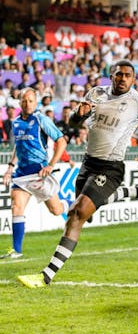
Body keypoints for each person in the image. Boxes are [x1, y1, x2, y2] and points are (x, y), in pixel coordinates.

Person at [17, 60, 138, 287]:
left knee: (76, 214)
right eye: (119, 74)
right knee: (86, 215)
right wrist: (78, 115)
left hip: (110, 168)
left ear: (133, 79)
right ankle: (137, 191)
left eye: (127, 76)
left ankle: (45, 276)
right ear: (111, 76)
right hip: (88, 164)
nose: (123, 79)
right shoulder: (96, 94)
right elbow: (72, 122)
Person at [0, 88, 72, 259]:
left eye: (31, 100)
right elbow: (19, 146)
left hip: (39, 173)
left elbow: (61, 141)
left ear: (35, 102)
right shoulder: (16, 123)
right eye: (24, 101)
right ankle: (16, 250)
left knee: (56, 210)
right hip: (22, 174)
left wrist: (51, 165)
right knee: (16, 206)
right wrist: (10, 166)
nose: (27, 104)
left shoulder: (41, 119)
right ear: (20, 103)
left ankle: (73, 204)